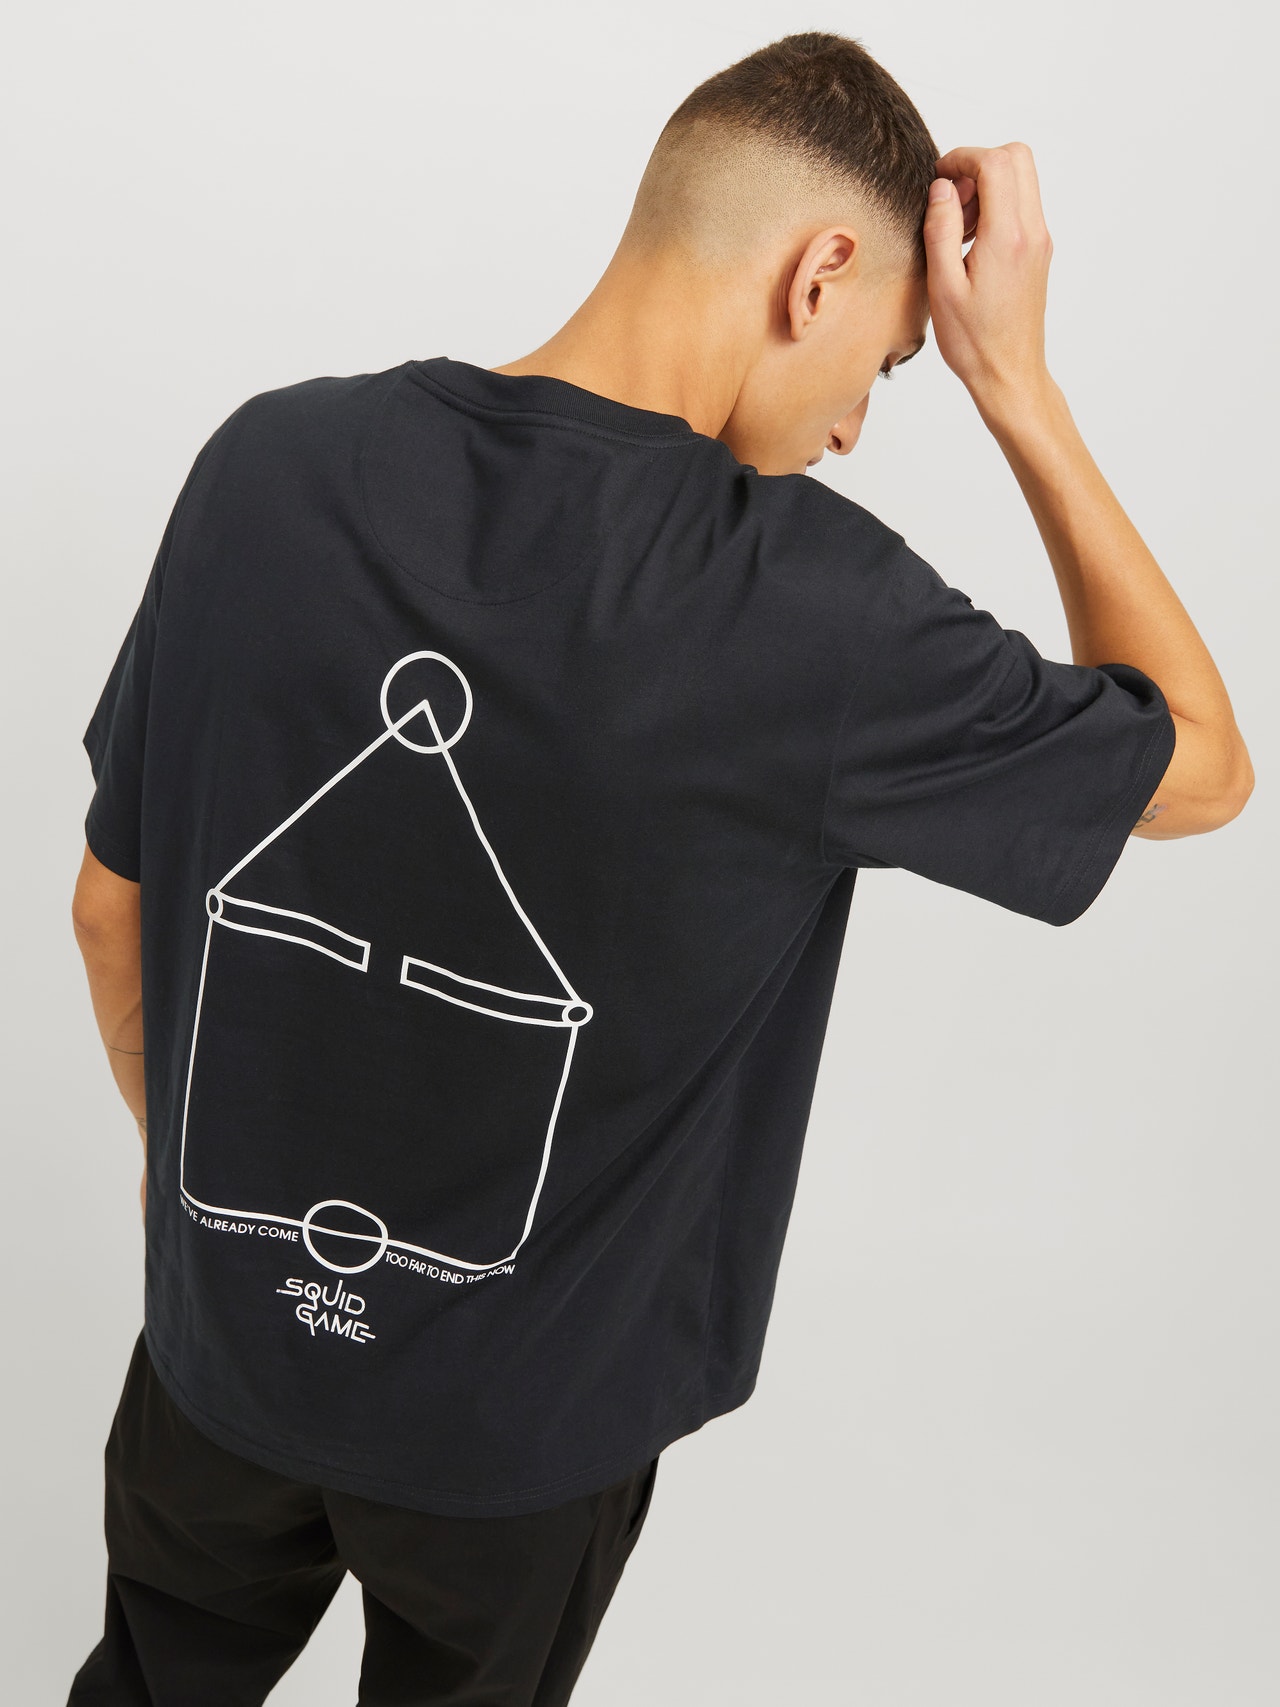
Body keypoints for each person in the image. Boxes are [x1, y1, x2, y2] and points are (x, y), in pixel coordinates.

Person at [66, 27, 1252, 1707]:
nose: (852, 431)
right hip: (516, 1447)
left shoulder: (267, 465)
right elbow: (1201, 768)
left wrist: (201, 1237)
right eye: (888, 363)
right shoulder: (813, 615)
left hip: (216, 1369)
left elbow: (108, 910)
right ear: (818, 274)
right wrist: (1020, 386)